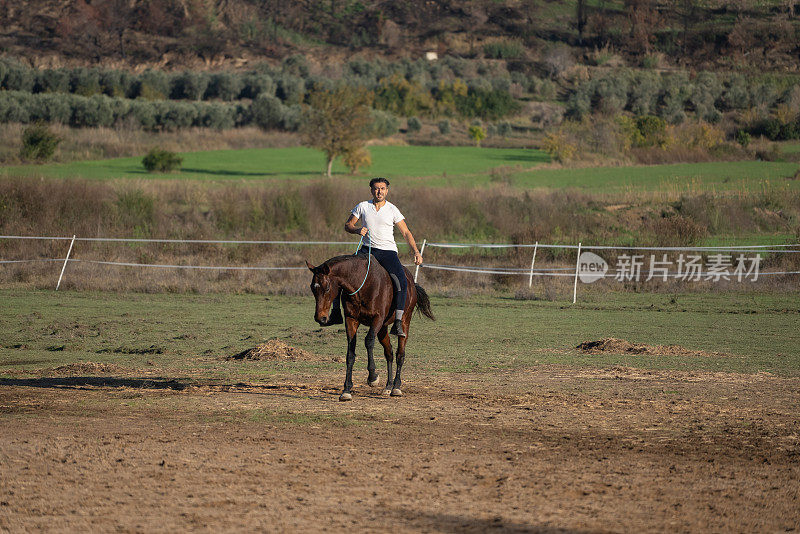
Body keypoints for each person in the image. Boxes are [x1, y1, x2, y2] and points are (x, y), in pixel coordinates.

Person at [328, 177, 423, 337]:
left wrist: (416, 251)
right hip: (366, 251)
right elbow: (348, 225)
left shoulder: (393, 209)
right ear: (371, 190)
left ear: (387, 190)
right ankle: (336, 312)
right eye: (376, 188)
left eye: (383, 188)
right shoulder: (363, 206)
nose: (379, 191)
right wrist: (357, 230)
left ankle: (398, 322)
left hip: (388, 252)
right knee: (342, 273)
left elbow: (406, 232)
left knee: (401, 280)